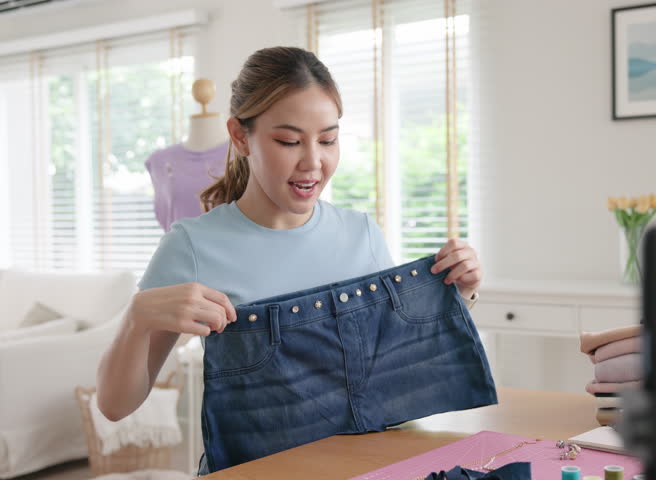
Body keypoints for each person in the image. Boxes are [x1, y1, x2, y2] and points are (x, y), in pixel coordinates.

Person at [96, 45, 482, 449]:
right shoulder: (192, 246)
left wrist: (458, 290)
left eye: (328, 140)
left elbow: (396, 375)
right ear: (240, 137)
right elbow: (115, 406)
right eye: (289, 141)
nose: (313, 162)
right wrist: (137, 320)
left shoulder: (361, 233)